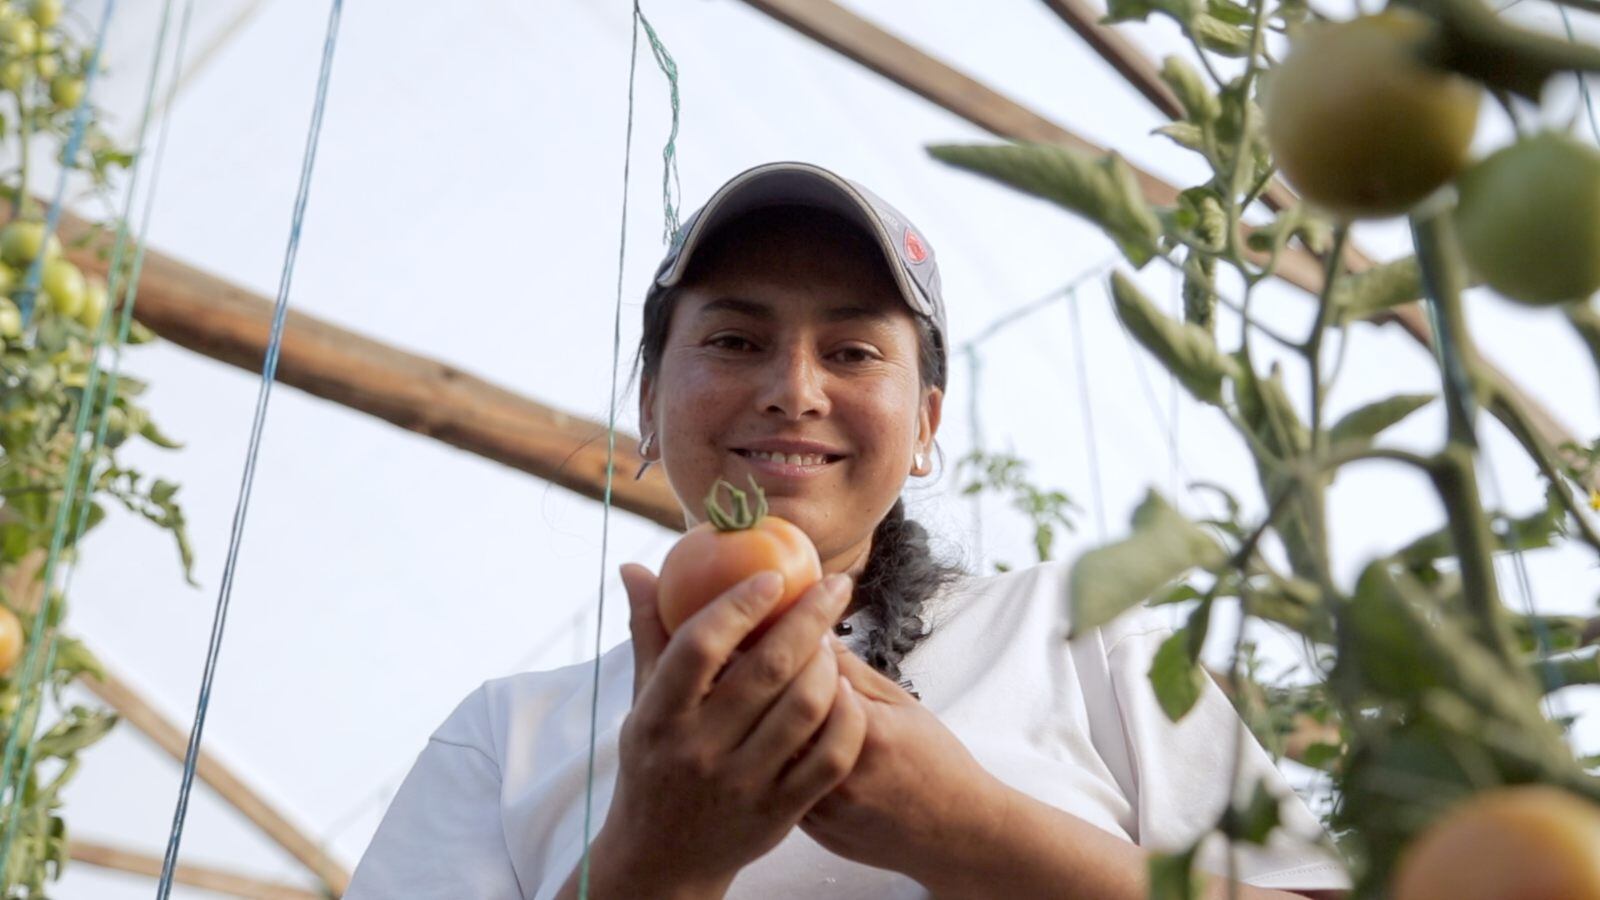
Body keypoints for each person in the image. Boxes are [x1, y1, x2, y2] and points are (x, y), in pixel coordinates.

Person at [345, 162, 1352, 899]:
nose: (792, 391)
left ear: (923, 426)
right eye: (736, 340)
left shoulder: (1072, 634)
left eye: (854, 350)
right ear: (649, 404)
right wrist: (652, 865)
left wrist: (971, 829)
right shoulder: (509, 737)